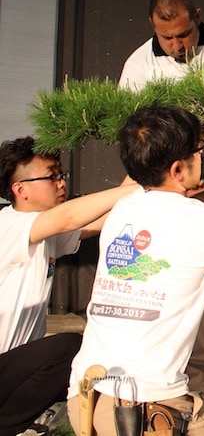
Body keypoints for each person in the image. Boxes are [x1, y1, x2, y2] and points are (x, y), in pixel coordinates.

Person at [65, 106, 204, 435]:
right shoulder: (203, 225)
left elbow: (191, 209)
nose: (202, 158)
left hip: (86, 394)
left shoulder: (125, 208)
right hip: (143, 410)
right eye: (198, 153)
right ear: (178, 169)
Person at [119, 0, 204, 404]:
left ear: (197, 16)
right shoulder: (139, 65)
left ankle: (201, 385)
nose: (177, 46)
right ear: (152, 28)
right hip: (166, 192)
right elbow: (131, 133)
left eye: (183, 35)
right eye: (167, 38)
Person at [0, 137, 138, 436]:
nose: (61, 182)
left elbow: (104, 219)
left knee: (76, 354)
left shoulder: (41, 228)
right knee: (68, 348)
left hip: (15, 365)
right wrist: (137, 185)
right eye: (51, 176)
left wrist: (143, 168)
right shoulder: (9, 227)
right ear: (20, 189)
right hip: (6, 364)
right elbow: (68, 218)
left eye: (62, 174)